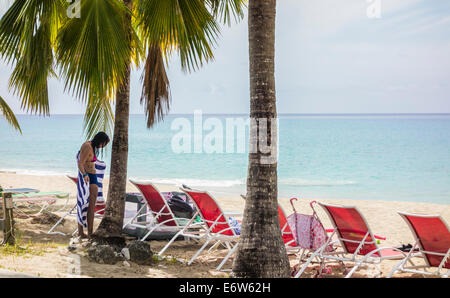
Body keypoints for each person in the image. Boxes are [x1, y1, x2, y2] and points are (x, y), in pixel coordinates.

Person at [77, 132, 110, 238]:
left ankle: (88, 232)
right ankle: (84, 232)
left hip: (93, 176)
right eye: (103, 144)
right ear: (99, 140)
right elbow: (80, 162)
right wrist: (85, 174)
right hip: (89, 177)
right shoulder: (87, 146)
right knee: (86, 205)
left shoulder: (92, 146)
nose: (102, 146)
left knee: (91, 206)